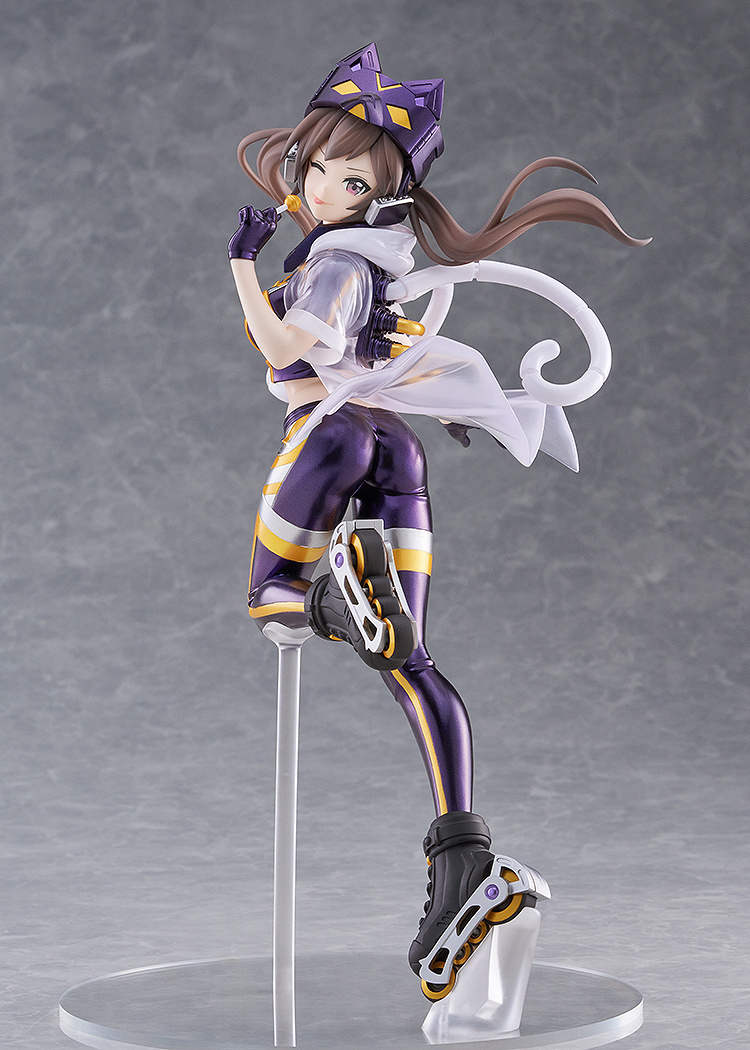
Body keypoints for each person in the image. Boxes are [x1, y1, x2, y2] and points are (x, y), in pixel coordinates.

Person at [228, 44, 647, 998]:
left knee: (271, 597)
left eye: (350, 181)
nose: (325, 189)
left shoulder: (335, 262)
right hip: (397, 453)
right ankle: (464, 857)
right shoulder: (380, 256)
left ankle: (334, 602)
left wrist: (242, 264)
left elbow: (291, 343)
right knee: (411, 659)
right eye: (320, 168)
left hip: (332, 433)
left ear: (379, 195)